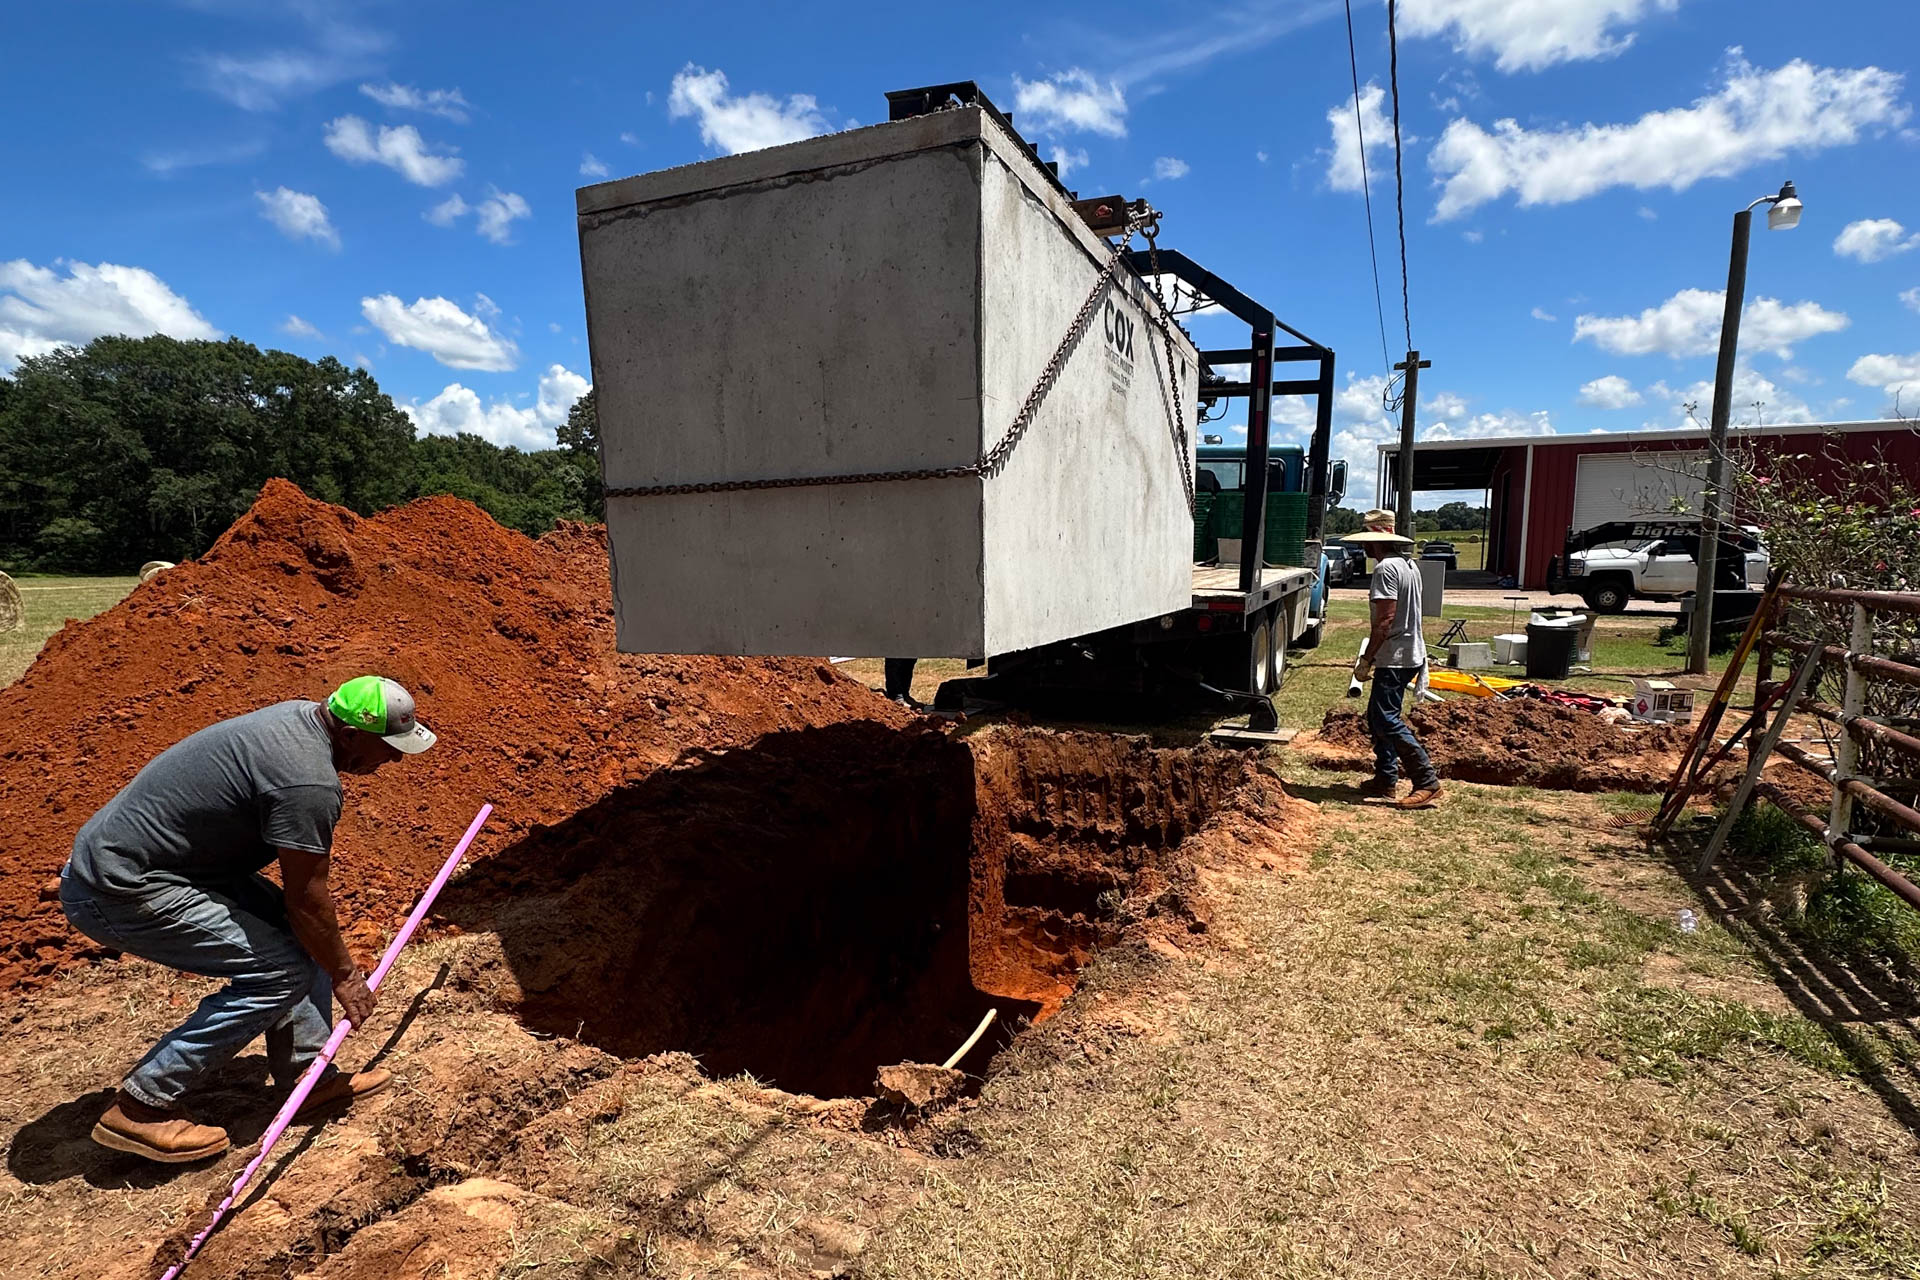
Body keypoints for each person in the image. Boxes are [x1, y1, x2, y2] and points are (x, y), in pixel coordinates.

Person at [58, 675, 438, 1163]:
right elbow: (307, 896)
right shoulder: (308, 783)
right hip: (119, 887)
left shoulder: (300, 716)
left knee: (298, 941)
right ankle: (138, 1108)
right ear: (348, 735)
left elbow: (301, 913)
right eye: (388, 747)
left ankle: (307, 1078)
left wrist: (329, 955)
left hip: (172, 867)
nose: (395, 759)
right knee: (279, 970)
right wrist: (345, 975)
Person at [1346, 510, 1443, 809]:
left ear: (1372, 541)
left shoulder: (1385, 569)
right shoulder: (1408, 565)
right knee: (1377, 717)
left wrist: (1367, 658)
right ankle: (1386, 778)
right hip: (1410, 651)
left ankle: (1426, 780)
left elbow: (1385, 619)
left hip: (1396, 656)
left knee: (1386, 718)